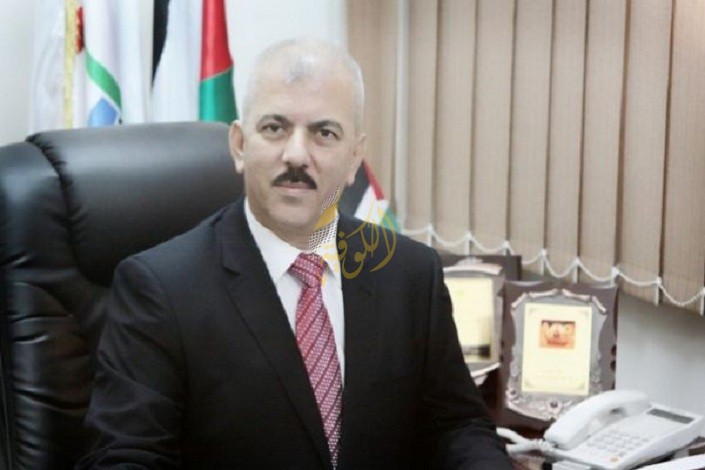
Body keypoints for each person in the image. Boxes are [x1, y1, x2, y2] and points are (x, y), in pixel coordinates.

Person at [77, 38, 512, 469]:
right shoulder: (160, 289)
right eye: (275, 128)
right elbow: (126, 457)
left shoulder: (410, 272)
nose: (297, 155)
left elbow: (457, 426)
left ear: (354, 158)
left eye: (324, 133)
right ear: (239, 145)